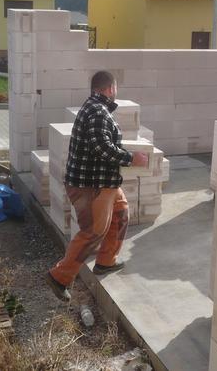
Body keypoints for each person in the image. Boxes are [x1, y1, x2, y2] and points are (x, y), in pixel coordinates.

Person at [45, 71, 148, 301]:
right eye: (115, 88)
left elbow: (103, 145)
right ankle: (59, 277)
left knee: (120, 213)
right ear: (110, 89)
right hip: (91, 185)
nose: (116, 91)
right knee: (93, 231)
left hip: (104, 182)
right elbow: (102, 148)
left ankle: (105, 261)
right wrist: (132, 158)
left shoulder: (97, 109)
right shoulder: (98, 112)